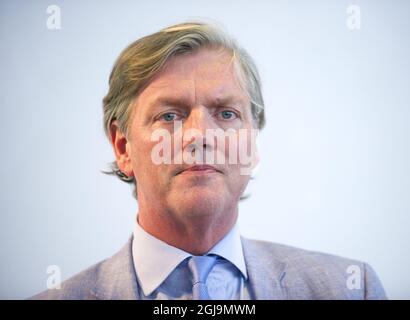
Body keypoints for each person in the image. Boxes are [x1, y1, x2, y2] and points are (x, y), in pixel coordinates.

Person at [31, 22, 386, 300]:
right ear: (123, 148)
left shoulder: (352, 289)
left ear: (253, 144)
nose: (201, 135)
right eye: (169, 116)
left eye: (227, 114)